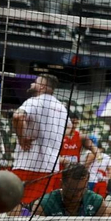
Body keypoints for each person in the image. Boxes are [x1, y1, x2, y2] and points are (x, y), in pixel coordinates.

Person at [11, 74, 70, 207]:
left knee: (15, 201)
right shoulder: (61, 107)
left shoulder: (33, 101)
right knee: (41, 205)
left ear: (42, 87)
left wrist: (22, 139)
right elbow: (69, 127)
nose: (32, 84)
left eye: (35, 82)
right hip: (51, 166)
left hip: (28, 163)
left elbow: (17, 116)